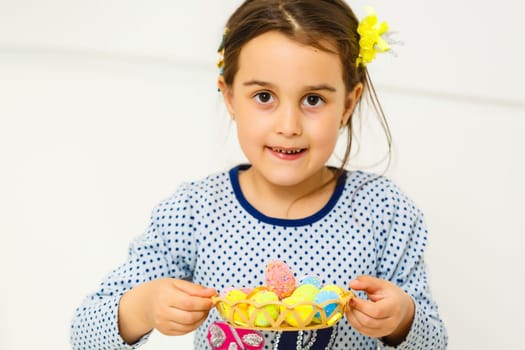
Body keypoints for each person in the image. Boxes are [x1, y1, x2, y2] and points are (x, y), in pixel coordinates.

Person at [70, 0, 447, 349]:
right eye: (264, 96)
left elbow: (436, 341)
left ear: (348, 104)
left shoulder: (383, 210)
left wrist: (403, 320)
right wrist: (142, 307)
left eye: (313, 99)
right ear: (230, 97)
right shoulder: (195, 211)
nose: (288, 125)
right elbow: (84, 334)